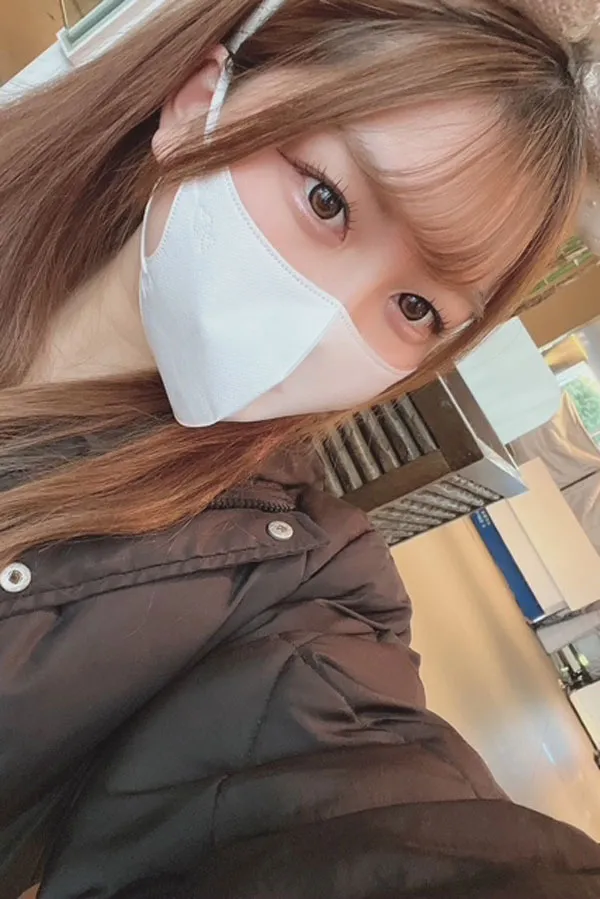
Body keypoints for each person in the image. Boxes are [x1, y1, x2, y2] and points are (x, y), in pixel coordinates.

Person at [1, 0, 599, 896]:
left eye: (416, 308)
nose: (325, 323)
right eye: (327, 200)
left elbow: (347, 810)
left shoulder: (304, 584)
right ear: (198, 98)